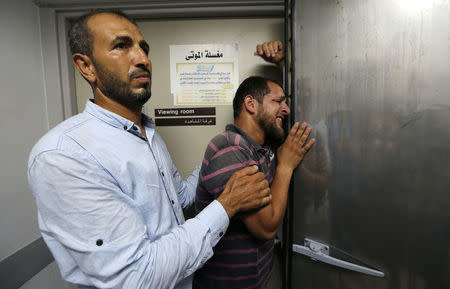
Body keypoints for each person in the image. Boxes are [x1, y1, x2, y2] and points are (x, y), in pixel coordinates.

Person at [27, 10, 272, 289]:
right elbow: (136, 276)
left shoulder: (148, 134)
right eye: (121, 46)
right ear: (86, 66)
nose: (142, 59)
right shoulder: (64, 155)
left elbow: (179, 198)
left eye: (144, 48)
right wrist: (226, 206)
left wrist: (216, 152)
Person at [193, 76, 315, 289]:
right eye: (278, 102)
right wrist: (285, 166)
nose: (286, 109)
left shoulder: (262, 147)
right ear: (250, 104)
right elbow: (266, 228)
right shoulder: (229, 150)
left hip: (257, 280)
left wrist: (284, 59)